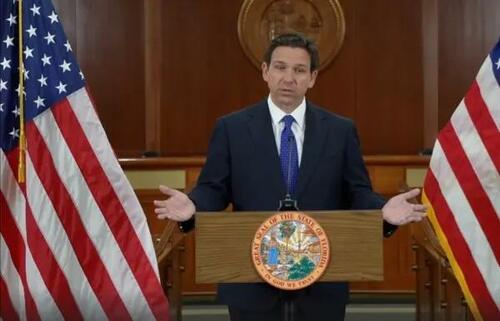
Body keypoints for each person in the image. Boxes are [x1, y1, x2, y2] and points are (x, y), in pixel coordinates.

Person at [154, 33, 427, 321]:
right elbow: (213, 188)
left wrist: (382, 210)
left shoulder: (340, 131)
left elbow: (357, 192)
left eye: (299, 70)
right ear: (265, 72)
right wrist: (193, 206)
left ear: (312, 78)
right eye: (280, 67)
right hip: (252, 281)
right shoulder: (231, 128)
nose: (288, 78)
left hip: (322, 280)